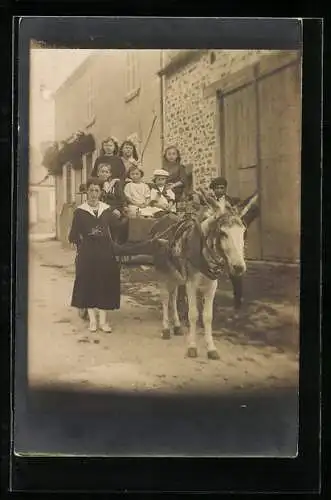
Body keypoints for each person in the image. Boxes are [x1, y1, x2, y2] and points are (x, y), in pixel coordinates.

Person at [68, 177, 121, 333]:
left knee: (105, 283)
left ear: (100, 192)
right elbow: (73, 235)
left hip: (105, 251)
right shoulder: (80, 211)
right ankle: (92, 321)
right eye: (90, 190)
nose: (93, 193)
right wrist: (81, 243)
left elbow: (117, 227)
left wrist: (121, 214)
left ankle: (103, 322)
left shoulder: (107, 210)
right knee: (89, 284)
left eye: (96, 190)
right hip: (88, 252)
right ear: (86, 192)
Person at [96, 162, 129, 244]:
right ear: (98, 173)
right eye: (102, 171)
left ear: (110, 174)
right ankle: (110, 241)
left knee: (127, 220)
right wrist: (111, 209)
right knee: (111, 218)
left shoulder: (115, 183)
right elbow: (97, 200)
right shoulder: (95, 184)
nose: (104, 174)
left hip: (117, 207)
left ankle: (118, 241)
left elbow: (121, 197)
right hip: (101, 207)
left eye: (106, 172)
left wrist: (125, 206)